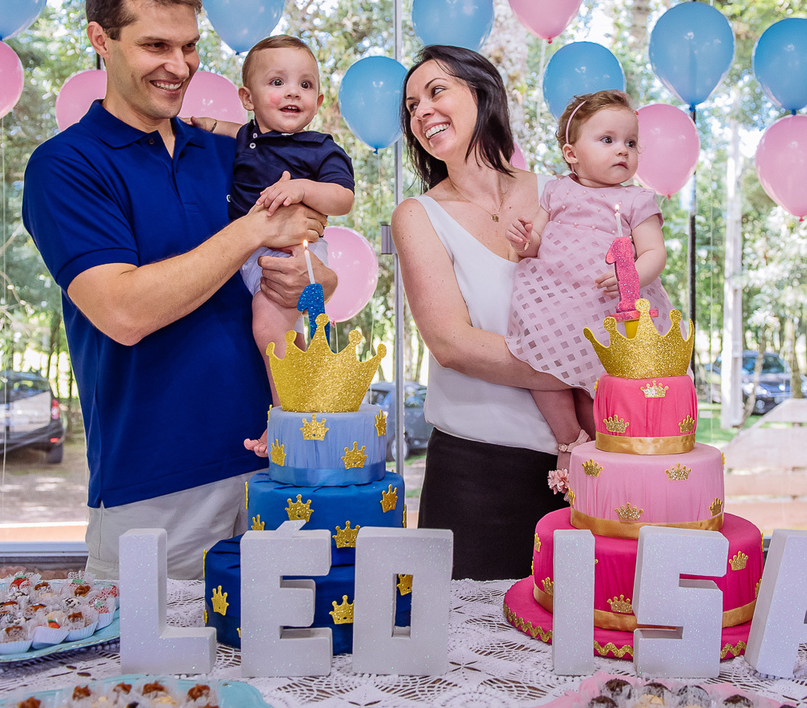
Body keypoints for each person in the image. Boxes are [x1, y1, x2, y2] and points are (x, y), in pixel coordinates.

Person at [21, 0, 335, 580]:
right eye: (156, 45)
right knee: (149, 681)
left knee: (294, 673)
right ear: (100, 41)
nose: (179, 66)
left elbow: (314, 279)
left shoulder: (232, 153)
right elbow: (125, 310)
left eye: (189, 47)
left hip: (276, 468)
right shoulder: (66, 166)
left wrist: (312, 282)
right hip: (154, 488)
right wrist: (251, 231)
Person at [391, 45, 573, 581]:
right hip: (475, 477)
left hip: (586, 468)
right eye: (410, 106)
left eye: (436, 91)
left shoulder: (559, 194)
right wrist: (582, 370)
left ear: (482, 93)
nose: (421, 111)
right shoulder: (417, 215)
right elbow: (452, 343)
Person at [192, 35, 355, 455]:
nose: (292, 93)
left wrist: (304, 188)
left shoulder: (321, 147)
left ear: (318, 99)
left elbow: (343, 198)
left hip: (292, 253)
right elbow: (236, 133)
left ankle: (285, 419)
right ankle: (311, 402)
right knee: (288, 337)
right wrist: (210, 126)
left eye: (304, 85)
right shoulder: (246, 137)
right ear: (248, 97)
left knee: (269, 326)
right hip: (248, 253)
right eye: (277, 82)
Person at [505, 90, 673, 478]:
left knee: (595, 390)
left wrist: (628, 276)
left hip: (607, 305)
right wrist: (523, 241)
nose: (623, 151)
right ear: (571, 153)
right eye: (608, 140)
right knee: (538, 361)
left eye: (631, 143)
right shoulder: (556, 191)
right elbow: (536, 244)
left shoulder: (638, 201)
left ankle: (604, 456)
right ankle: (568, 439)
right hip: (556, 301)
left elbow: (654, 254)